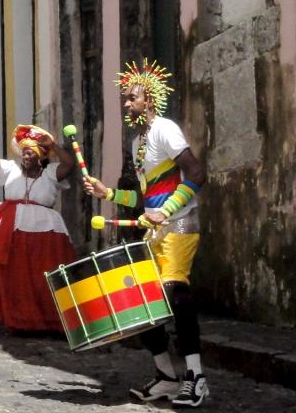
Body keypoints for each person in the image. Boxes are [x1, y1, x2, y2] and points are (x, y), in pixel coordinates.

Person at [82, 60, 208, 407]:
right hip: (157, 232)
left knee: (174, 292)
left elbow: (196, 173)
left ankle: (196, 378)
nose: (126, 104)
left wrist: (166, 211)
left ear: (149, 100)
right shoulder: (140, 141)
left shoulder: (165, 129)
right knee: (141, 302)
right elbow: (143, 197)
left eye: (131, 98)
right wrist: (107, 193)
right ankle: (168, 376)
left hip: (180, 226)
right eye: (124, 99)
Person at [0, 123, 76, 333]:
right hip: (11, 232)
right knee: (15, 278)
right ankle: (17, 319)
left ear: (40, 155)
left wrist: (54, 146)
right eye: (24, 152)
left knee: (41, 276)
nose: (26, 156)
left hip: (44, 234)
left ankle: (48, 319)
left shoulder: (50, 172)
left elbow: (70, 164)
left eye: (31, 152)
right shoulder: (11, 170)